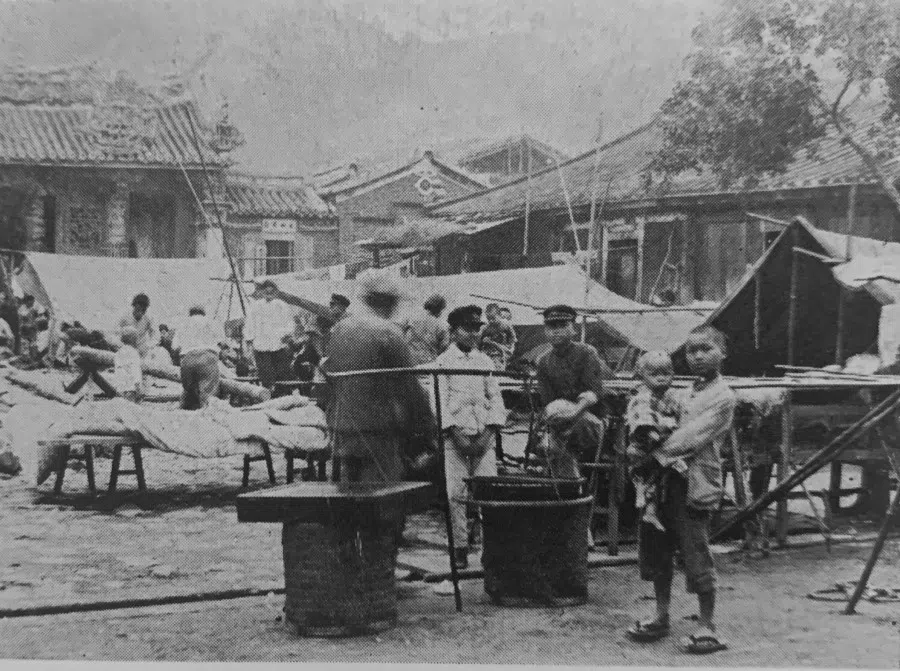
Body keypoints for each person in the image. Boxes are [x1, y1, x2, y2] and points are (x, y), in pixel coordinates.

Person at [627, 326, 735, 655]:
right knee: (657, 547)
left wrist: (648, 454)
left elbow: (690, 438)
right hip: (663, 483)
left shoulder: (722, 396)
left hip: (694, 481)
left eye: (706, 349)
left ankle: (708, 625)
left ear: (722, 353)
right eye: (691, 351)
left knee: (695, 552)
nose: (698, 356)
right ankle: (661, 615)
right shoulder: (682, 391)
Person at [322, 270, 432, 485]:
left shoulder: (341, 329)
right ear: (390, 302)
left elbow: (328, 372)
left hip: (343, 427)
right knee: (383, 496)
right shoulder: (389, 333)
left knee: (350, 493)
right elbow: (410, 388)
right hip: (378, 430)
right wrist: (428, 430)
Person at [434, 305, 507, 569]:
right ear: (453, 332)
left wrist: (489, 433)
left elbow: (495, 398)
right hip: (456, 438)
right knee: (456, 493)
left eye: (477, 328)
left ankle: (492, 549)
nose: (473, 334)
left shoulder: (485, 362)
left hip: (483, 436)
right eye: (467, 328)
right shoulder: (442, 363)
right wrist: (455, 434)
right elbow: (439, 401)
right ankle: (460, 548)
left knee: (489, 491)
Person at [536, 304, 614, 478]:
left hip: (591, 418)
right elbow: (548, 401)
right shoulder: (543, 362)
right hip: (560, 420)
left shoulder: (586, 353)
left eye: (563, 326)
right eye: (551, 327)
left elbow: (593, 393)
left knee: (559, 439)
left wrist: (572, 414)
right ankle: (568, 486)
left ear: (574, 329)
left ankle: (567, 484)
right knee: (551, 433)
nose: (556, 331)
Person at [626, 350, 683, 533]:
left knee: (660, 480)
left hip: (662, 444)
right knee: (651, 475)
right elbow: (643, 422)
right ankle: (649, 508)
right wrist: (655, 435)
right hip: (644, 446)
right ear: (643, 376)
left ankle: (651, 511)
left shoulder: (672, 397)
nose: (661, 379)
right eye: (654, 374)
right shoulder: (642, 397)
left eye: (666, 374)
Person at [244, 280, 293, 391]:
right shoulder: (255, 306)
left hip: (278, 345)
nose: (269, 293)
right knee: (266, 374)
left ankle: (282, 395)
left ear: (275, 292)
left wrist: (285, 335)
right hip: (261, 346)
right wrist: (249, 342)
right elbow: (249, 325)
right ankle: (268, 394)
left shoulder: (282, 305)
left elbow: (289, 324)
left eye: (272, 291)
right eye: (266, 291)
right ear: (262, 292)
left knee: (282, 375)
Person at [172, 306, 224, 410]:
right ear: (203, 313)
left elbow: (174, 347)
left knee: (189, 394)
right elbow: (222, 342)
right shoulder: (211, 322)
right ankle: (208, 419)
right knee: (208, 397)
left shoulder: (183, 324)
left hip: (187, 359)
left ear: (190, 314)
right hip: (207, 358)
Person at [404, 294, 450, 365]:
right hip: (428, 362)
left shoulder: (411, 319)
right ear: (440, 309)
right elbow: (444, 346)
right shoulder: (441, 325)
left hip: (409, 360)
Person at [118, 293, 156, 358]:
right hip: (126, 348)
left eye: (143, 310)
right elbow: (117, 334)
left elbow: (154, 336)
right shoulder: (125, 317)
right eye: (138, 309)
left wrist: (149, 346)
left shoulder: (148, 319)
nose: (140, 312)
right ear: (134, 306)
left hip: (141, 350)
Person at [479, 303, 516, 370]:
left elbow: (513, 338)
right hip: (489, 350)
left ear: (499, 315)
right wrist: (483, 340)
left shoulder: (505, 325)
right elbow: (479, 339)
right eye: (488, 319)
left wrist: (510, 346)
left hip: (501, 350)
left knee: (497, 360)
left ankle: (498, 370)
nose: (491, 321)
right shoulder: (486, 328)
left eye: (493, 318)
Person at [113, 327, 143, 402]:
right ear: (132, 339)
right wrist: (138, 388)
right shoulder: (134, 352)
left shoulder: (118, 353)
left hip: (120, 388)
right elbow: (135, 371)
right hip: (131, 388)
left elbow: (118, 371)